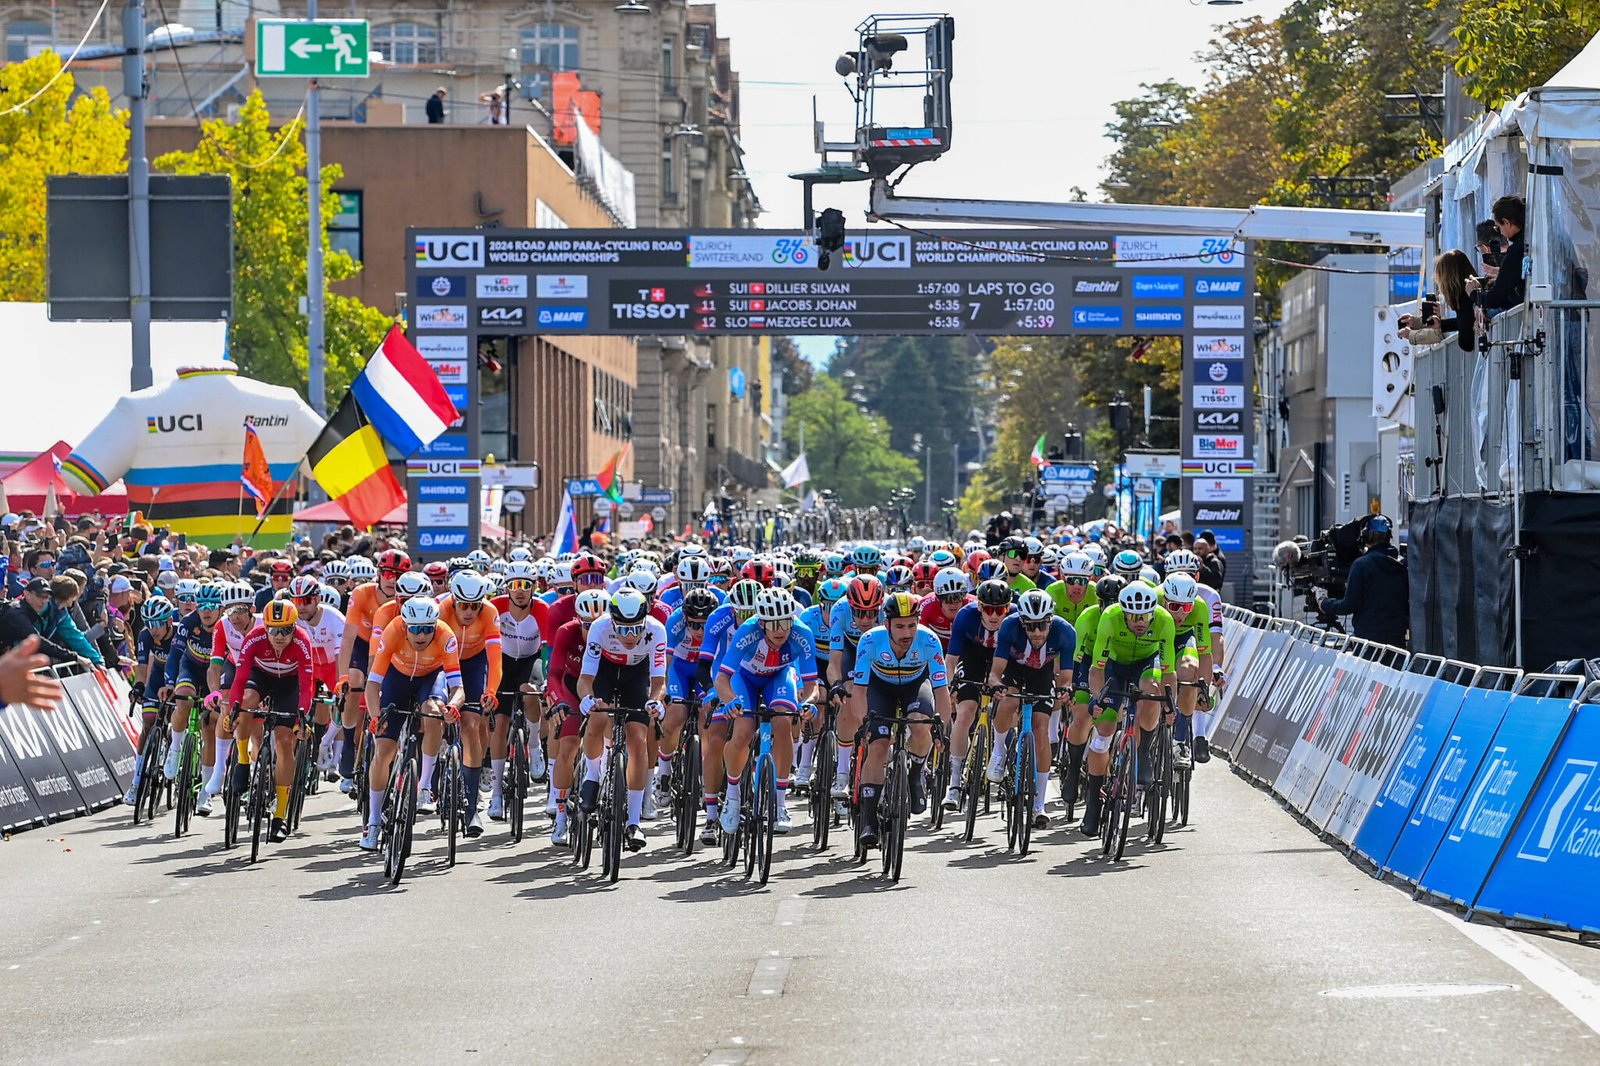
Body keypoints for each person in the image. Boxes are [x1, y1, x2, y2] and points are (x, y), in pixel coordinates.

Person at [1317, 515, 1409, 648]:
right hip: (1396, 643)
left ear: (1364, 537)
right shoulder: (1401, 565)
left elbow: (1347, 606)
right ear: (1389, 536)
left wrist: (1323, 603)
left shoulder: (1361, 565)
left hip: (1368, 644)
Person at [1398, 250, 1480, 353]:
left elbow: (1466, 343)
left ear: (1447, 280)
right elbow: (1467, 321)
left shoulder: (1463, 299)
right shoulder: (1474, 293)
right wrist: (1442, 324)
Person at [1475, 194, 1526, 312]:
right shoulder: (1529, 241)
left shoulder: (1517, 249)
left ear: (1507, 223)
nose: (1501, 233)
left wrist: (1473, 293)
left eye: (1498, 227)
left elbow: (1495, 298)